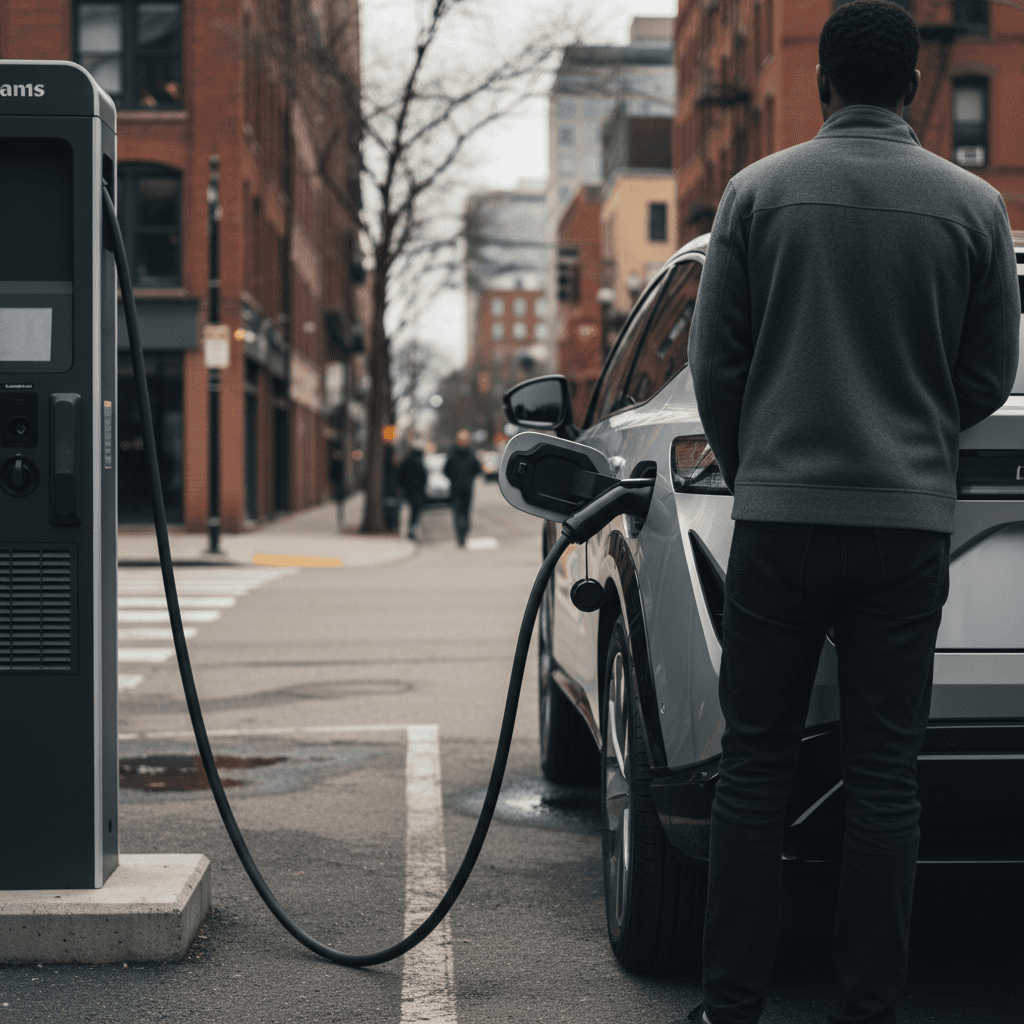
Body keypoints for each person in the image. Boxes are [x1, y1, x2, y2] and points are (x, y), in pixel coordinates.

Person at [684, 4, 1020, 1024]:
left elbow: (717, 369)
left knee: (754, 768)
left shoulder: (754, 193)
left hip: (780, 523)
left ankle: (731, 1005)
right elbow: (986, 374)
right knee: (885, 776)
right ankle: (867, 1008)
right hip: (904, 529)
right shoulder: (974, 208)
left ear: (821, 83)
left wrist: (760, 472)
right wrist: (912, 439)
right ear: (913, 86)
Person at [443, 429, 481, 546]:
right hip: (458, 488)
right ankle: (461, 534)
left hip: (465, 488)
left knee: (463, 512)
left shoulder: (469, 453)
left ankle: (462, 532)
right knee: (459, 512)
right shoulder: (455, 453)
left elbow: (477, 469)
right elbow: (446, 470)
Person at [398, 445, 428, 541]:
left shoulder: (406, 462)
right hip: (418, 492)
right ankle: (412, 528)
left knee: (408, 511)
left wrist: (401, 487)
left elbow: (401, 476)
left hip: (408, 491)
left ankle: (409, 529)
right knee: (415, 512)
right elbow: (424, 478)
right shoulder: (420, 463)